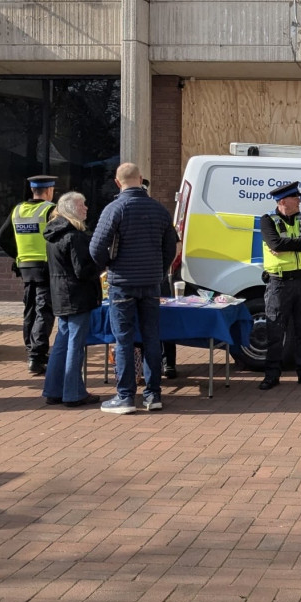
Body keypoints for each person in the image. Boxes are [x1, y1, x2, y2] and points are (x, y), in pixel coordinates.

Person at [90, 163, 177, 414]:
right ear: (141, 179)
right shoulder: (160, 210)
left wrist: (111, 265)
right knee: (152, 337)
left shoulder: (114, 209)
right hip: (151, 283)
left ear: (118, 183)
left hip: (122, 284)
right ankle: (153, 395)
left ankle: (125, 396)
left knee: (124, 340)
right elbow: (170, 248)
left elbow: (96, 248)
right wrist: (158, 270)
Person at [258, 181, 301, 390]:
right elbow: (276, 244)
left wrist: (291, 246)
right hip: (279, 282)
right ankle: (271, 375)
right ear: (283, 201)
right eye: (296, 198)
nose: (300, 200)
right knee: (275, 330)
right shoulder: (267, 220)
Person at [42, 191, 102, 407]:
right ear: (71, 210)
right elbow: (82, 271)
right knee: (75, 345)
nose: (86, 208)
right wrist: (102, 262)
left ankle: (53, 390)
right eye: (82, 205)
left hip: (61, 294)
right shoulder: (75, 236)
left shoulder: (53, 234)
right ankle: (73, 393)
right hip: (77, 296)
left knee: (62, 343)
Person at [0, 175, 58, 375]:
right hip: (45, 267)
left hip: (25, 268)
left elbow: (0, 239)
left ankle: (31, 351)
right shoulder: (50, 209)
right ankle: (37, 356)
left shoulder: (18, 210)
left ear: (33, 190)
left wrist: (19, 255)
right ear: (49, 191)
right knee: (44, 310)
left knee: (30, 309)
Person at [142, 178, 179, 380]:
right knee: (160, 319)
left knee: (162, 319)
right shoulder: (160, 212)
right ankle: (164, 363)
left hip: (152, 277)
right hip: (156, 275)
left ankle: (168, 362)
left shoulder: (158, 212)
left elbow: (172, 244)